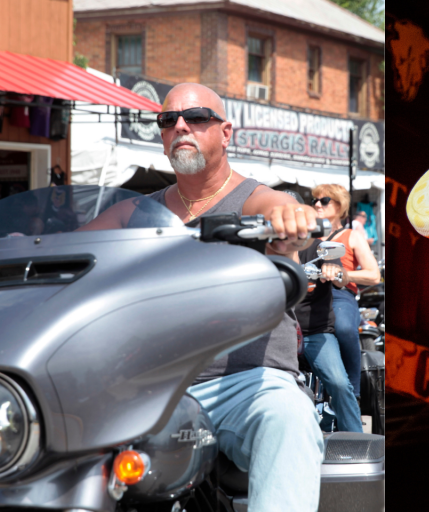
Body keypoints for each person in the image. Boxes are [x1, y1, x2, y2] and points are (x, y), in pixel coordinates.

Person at [141, 83, 323, 512]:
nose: (181, 126)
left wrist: (286, 214)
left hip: (245, 382)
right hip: (151, 388)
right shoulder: (139, 212)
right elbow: (75, 240)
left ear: (226, 132)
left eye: (197, 117)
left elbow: (272, 202)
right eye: (169, 120)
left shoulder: (251, 199)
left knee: (288, 418)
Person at [311, 184, 381, 401]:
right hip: (308, 295)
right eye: (314, 200)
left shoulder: (351, 235)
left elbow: (374, 275)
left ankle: (354, 392)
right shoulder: (307, 235)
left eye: (324, 201)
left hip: (339, 294)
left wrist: (347, 275)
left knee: (343, 328)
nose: (316, 205)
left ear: (340, 206)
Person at [294, 237, 363, 432]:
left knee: (339, 383)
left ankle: (355, 440)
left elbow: (342, 278)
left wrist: (335, 272)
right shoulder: (267, 248)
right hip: (278, 332)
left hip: (315, 332)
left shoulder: (318, 248)